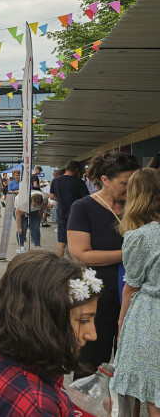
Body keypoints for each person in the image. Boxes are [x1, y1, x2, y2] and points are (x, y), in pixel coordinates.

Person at [0, 252, 101, 416]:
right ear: (43, 320)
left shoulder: (14, 362)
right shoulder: (37, 405)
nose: (92, 335)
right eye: (83, 320)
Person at [67, 150, 140, 377]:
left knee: (130, 362)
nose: (130, 190)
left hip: (135, 293)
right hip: (97, 293)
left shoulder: (138, 207)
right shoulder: (83, 207)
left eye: (135, 183)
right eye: (125, 184)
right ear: (105, 180)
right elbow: (80, 254)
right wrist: (130, 253)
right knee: (90, 359)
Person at [112, 168, 160, 416]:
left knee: (149, 390)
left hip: (149, 316)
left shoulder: (140, 237)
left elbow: (131, 286)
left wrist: (121, 324)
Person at [48, 160, 90, 258]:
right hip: (77, 215)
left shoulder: (56, 180)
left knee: (61, 242)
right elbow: (86, 198)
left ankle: (59, 264)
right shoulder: (79, 182)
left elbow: (51, 196)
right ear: (76, 170)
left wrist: (60, 199)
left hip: (61, 213)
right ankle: (76, 266)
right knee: (75, 243)